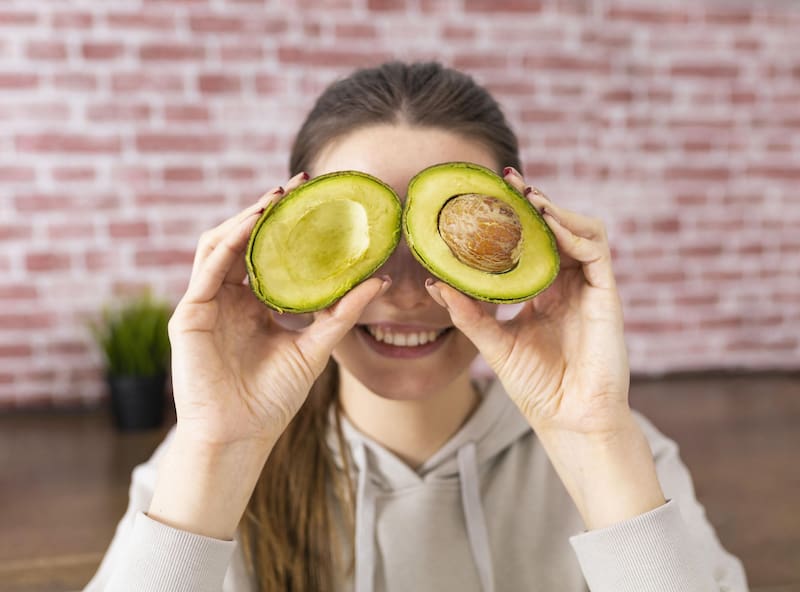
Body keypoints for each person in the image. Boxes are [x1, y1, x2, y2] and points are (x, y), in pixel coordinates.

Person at [85, 61, 748, 592]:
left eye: (447, 246)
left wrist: (596, 441)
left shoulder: (629, 455)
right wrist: (218, 454)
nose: (404, 294)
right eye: (364, 248)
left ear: (526, 233)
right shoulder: (188, 467)